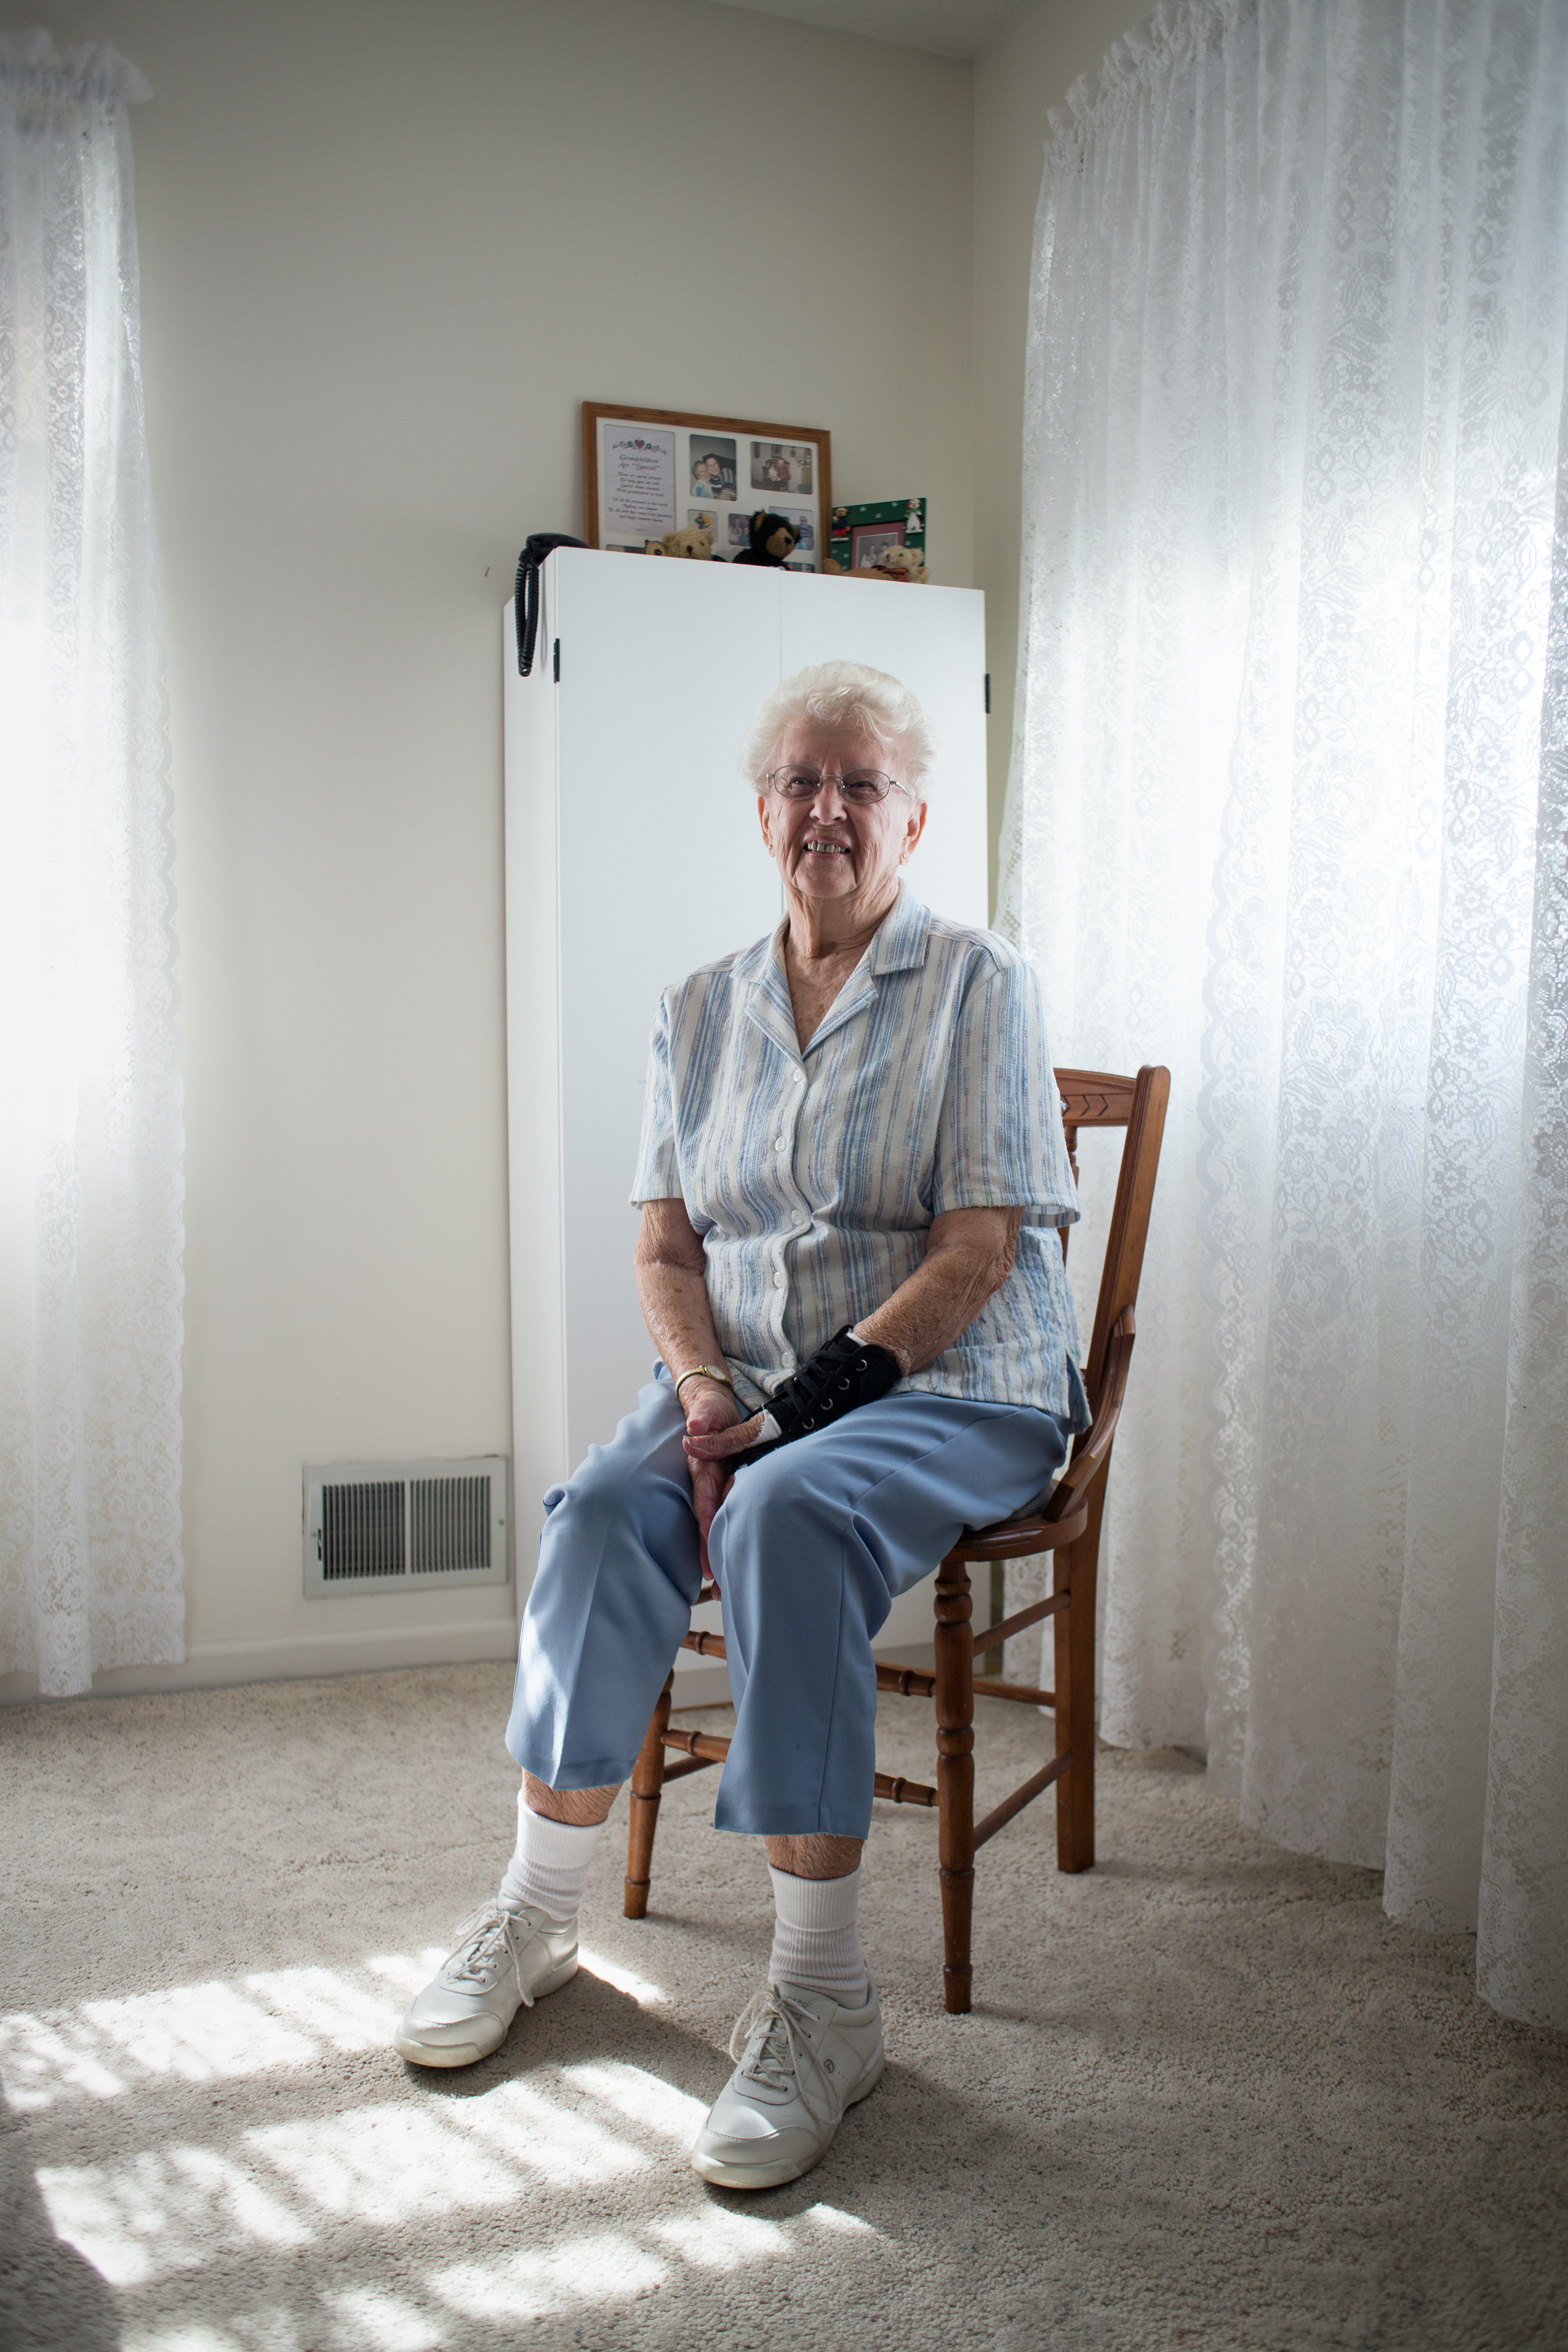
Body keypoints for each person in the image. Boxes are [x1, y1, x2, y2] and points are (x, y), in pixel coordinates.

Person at [394, 662, 1089, 2190]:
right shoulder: (696, 1009)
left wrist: (795, 1419)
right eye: (799, 780)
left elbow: (975, 1253)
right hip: (749, 1382)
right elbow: (662, 1245)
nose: (826, 809)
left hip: (949, 1381)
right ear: (761, 809)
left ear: (910, 816)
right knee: (596, 1517)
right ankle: (535, 1905)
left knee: (784, 1513)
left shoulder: (980, 982)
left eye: (858, 784)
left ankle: (828, 2001)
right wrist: (710, 1399)